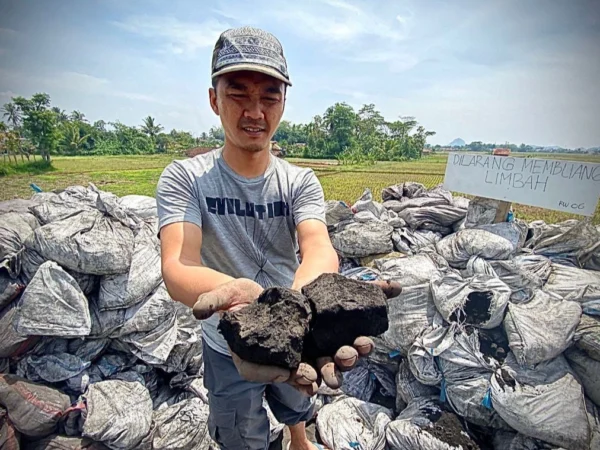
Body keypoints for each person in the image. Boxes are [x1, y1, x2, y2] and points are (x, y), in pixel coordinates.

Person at [156, 26, 398, 450]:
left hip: (297, 328)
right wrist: (244, 302)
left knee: (296, 393)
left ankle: (299, 439)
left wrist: (300, 304)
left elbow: (318, 246)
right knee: (239, 430)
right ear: (214, 99)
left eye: (269, 96)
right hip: (225, 339)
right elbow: (179, 266)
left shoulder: (298, 181)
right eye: (238, 93)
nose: (255, 111)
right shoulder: (186, 179)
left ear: (284, 103)